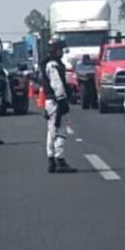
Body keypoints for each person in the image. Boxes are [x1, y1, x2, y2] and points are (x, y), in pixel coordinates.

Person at [42, 39, 76, 173]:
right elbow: (57, 84)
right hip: (56, 101)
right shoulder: (53, 65)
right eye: (60, 50)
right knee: (60, 130)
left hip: (51, 102)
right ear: (56, 51)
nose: (62, 52)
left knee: (51, 131)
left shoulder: (49, 64)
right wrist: (62, 100)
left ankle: (51, 160)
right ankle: (59, 160)